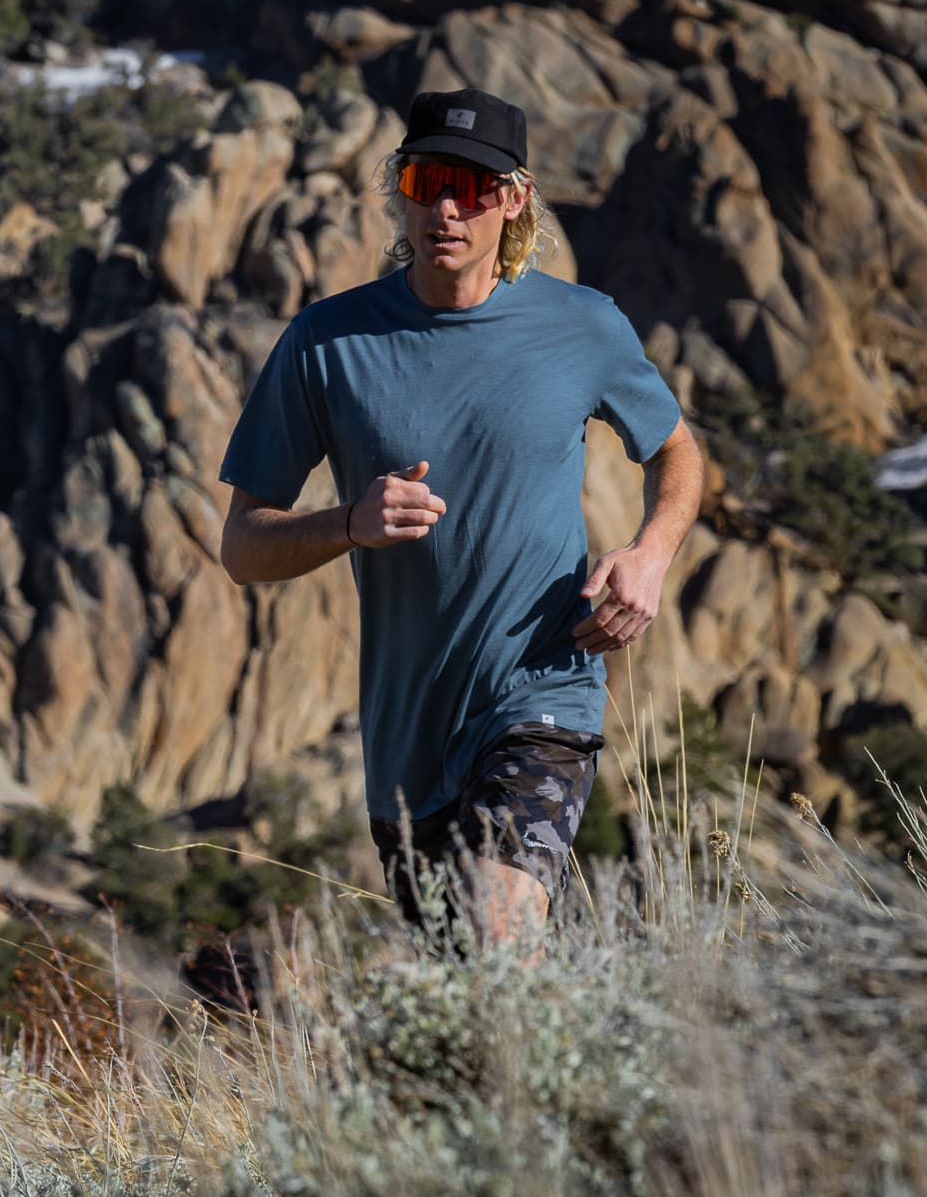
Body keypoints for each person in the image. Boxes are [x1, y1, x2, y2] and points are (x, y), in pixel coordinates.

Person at [216, 87, 705, 944]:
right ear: (399, 190)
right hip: (408, 743)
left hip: (543, 695)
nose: (447, 206)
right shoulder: (327, 342)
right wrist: (347, 523)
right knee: (469, 1002)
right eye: (427, 179)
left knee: (495, 930)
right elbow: (243, 546)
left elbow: (677, 452)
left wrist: (650, 551)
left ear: (514, 199)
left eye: (474, 186)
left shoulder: (582, 325)